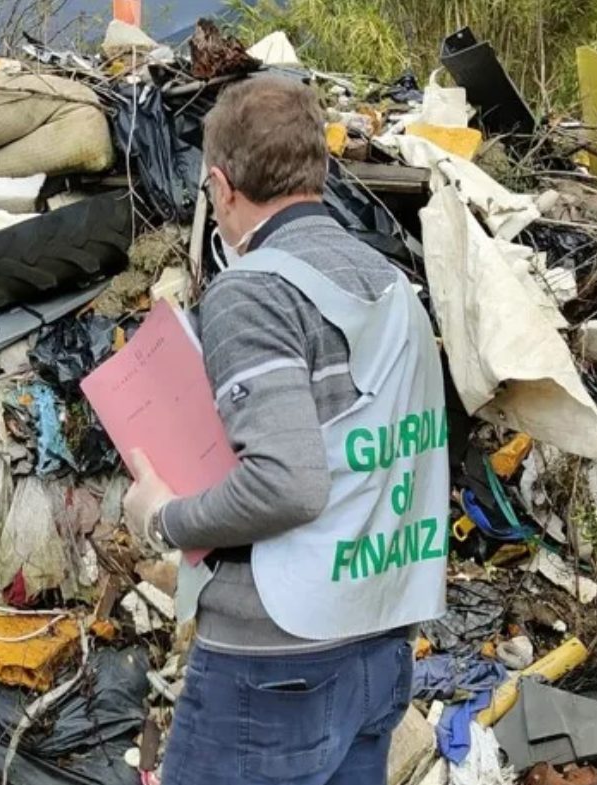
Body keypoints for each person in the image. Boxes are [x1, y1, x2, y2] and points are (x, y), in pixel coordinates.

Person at [121, 77, 450, 785]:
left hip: (273, 665)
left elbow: (287, 482)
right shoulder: (390, 284)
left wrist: (162, 519)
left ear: (220, 184)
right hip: (379, 639)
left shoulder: (254, 291)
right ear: (318, 170)